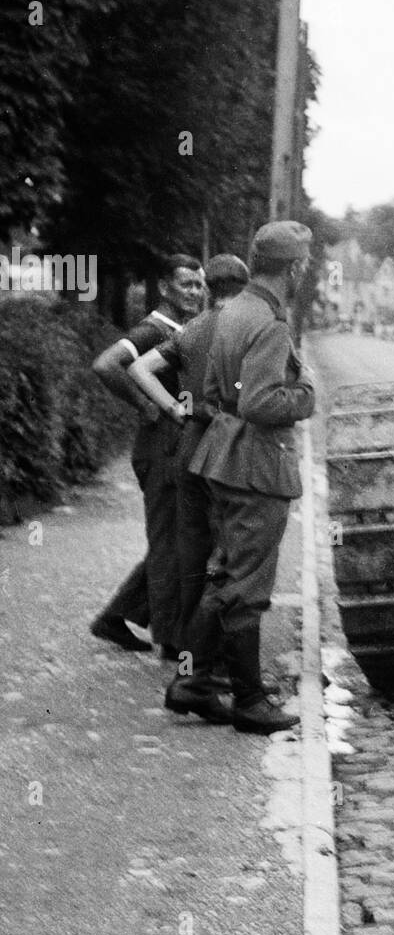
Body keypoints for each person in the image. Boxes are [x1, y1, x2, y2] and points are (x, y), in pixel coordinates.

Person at [187, 221, 316, 733]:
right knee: (247, 586)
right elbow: (261, 402)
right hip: (257, 467)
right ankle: (249, 701)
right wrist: (305, 394)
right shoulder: (269, 323)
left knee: (223, 574)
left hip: (223, 458)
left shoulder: (234, 309)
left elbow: (217, 390)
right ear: (293, 267)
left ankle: (192, 683)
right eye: (303, 263)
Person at [127, 254, 250, 672]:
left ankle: (182, 650)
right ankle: (216, 655)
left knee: (189, 550)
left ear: (209, 287)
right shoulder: (247, 328)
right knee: (230, 551)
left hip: (189, 442)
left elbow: (140, 368)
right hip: (229, 444)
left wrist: (172, 410)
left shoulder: (193, 330)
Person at [90, 254, 206, 657]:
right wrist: (146, 406)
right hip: (160, 447)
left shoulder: (182, 329)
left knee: (174, 537)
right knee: (168, 543)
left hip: (172, 445)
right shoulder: (154, 328)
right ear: (164, 288)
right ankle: (174, 644)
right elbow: (106, 364)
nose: (195, 291)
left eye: (199, 284)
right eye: (187, 284)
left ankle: (116, 617)